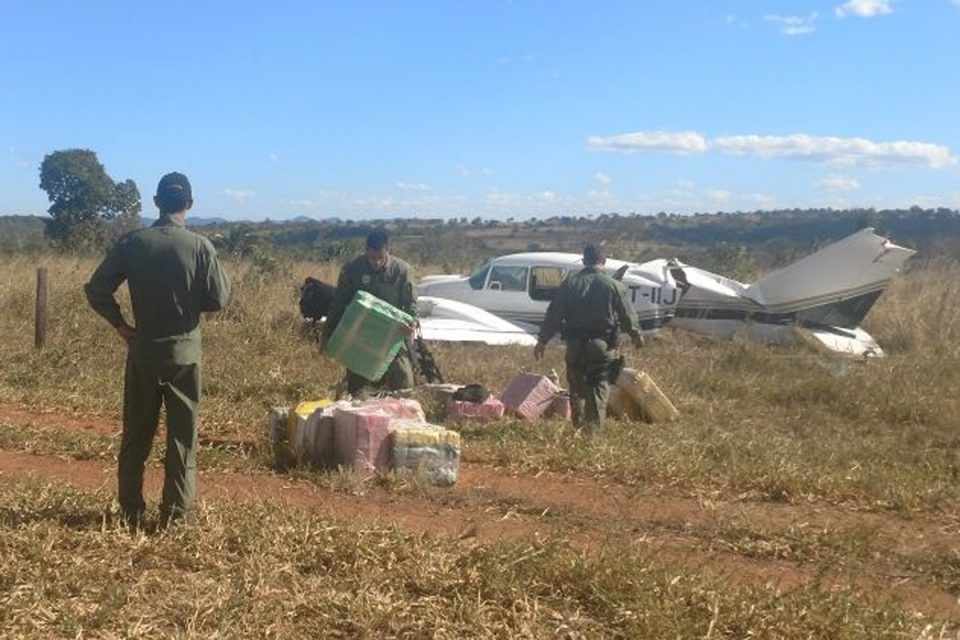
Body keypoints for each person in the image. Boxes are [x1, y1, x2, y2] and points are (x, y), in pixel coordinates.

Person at [85, 172, 231, 529]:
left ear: (156, 202)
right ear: (190, 204)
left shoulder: (133, 243)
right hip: (184, 356)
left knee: (137, 434)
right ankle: (176, 517)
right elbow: (219, 298)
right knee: (182, 439)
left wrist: (122, 326)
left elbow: (96, 289)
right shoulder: (200, 247)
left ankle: (131, 513)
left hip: (144, 351)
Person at [534, 243, 642, 432]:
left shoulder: (569, 284)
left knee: (577, 389)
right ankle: (592, 435)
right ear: (604, 261)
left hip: (575, 346)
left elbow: (554, 315)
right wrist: (636, 336)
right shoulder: (614, 286)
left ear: (584, 261)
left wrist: (542, 341)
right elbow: (627, 316)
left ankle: (578, 428)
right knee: (598, 389)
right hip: (602, 347)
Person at [322, 229, 417, 395]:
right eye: (372, 258)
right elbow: (338, 304)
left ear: (388, 250)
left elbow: (410, 305)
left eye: (380, 258)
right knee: (358, 389)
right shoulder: (352, 269)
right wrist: (327, 335)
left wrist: (411, 323)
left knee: (404, 384)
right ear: (366, 250)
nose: (376, 262)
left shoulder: (402, 271)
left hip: (391, 334)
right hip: (361, 333)